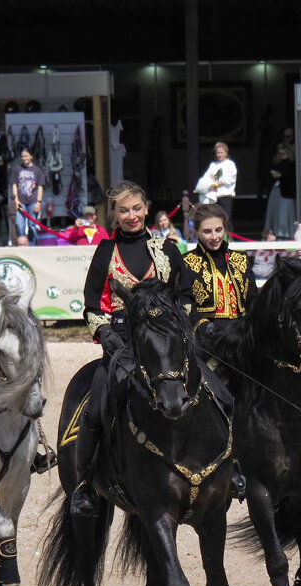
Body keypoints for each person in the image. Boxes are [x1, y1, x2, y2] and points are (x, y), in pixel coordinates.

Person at [68, 180, 186, 515]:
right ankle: (84, 485)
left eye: (136, 208)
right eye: (123, 210)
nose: (131, 216)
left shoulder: (167, 249)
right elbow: (91, 304)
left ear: (146, 208)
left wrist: (179, 328)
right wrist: (105, 333)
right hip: (122, 343)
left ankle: (228, 467)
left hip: (166, 343)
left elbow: (187, 296)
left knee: (214, 390)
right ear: (115, 215)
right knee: (95, 409)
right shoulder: (105, 250)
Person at [180, 203, 256, 357]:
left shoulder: (240, 259)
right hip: (206, 341)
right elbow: (184, 303)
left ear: (225, 229)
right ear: (196, 233)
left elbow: (253, 298)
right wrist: (202, 326)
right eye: (207, 231)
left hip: (241, 337)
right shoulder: (186, 262)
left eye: (219, 230)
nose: (214, 237)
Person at [263, 128, 297, 239]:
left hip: (287, 193)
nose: (281, 156)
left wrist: (281, 176)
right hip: (278, 191)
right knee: (276, 214)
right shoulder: (278, 163)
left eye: (283, 154)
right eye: (280, 154)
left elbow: (290, 176)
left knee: (286, 214)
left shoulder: (291, 164)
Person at [10, 147, 46, 245]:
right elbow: (14, 185)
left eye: (26, 156)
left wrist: (38, 202)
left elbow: (40, 187)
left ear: (31, 157)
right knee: (19, 224)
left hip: (33, 201)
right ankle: (22, 243)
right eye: (22, 156)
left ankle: (32, 244)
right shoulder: (17, 169)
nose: (24, 158)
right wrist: (16, 199)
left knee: (32, 225)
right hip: (21, 201)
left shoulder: (37, 171)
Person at [194, 141, 238, 222]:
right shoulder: (213, 165)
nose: (219, 155)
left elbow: (230, 178)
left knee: (226, 219)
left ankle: (228, 234)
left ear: (226, 153)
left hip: (225, 195)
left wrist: (217, 184)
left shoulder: (230, 164)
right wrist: (208, 185)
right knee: (215, 219)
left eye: (221, 152)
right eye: (218, 153)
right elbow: (208, 177)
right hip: (214, 197)